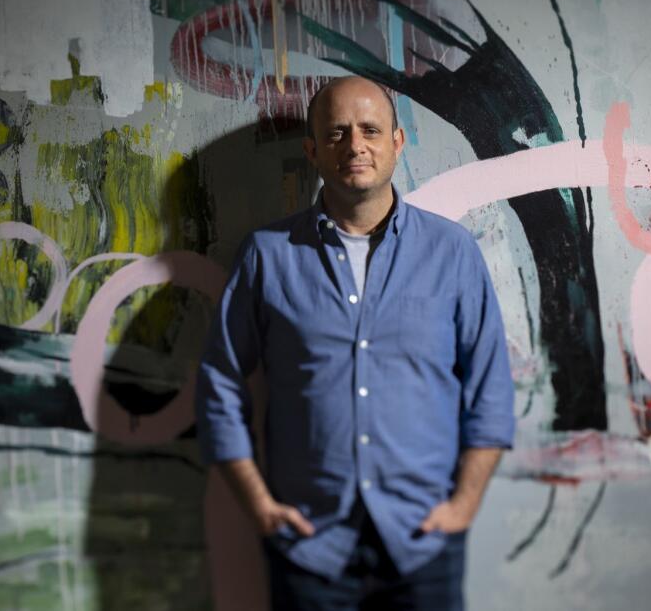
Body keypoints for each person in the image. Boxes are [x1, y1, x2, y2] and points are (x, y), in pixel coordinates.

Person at [194, 75, 515, 611]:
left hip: (424, 541)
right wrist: (258, 506)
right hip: (308, 544)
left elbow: (490, 388)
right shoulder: (268, 256)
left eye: (370, 129)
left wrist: (463, 505)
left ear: (397, 142)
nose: (355, 145)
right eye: (337, 133)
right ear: (312, 150)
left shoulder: (452, 252)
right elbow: (219, 384)